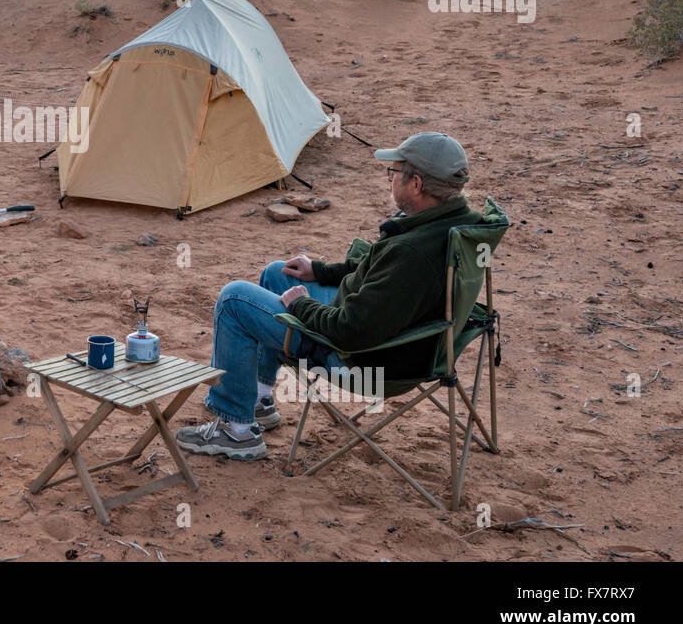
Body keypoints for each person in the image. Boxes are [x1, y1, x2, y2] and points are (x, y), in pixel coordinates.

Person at [176, 132, 486, 461]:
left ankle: (236, 432)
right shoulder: (455, 224)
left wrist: (301, 305)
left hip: (363, 361)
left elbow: (349, 330)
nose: (390, 179)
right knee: (277, 273)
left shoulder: (413, 252)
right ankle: (260, 398)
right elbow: (380, 272)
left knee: (234, 300)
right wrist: (321, 271)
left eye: (393, 172)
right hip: (403, 341)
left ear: (416, 184)